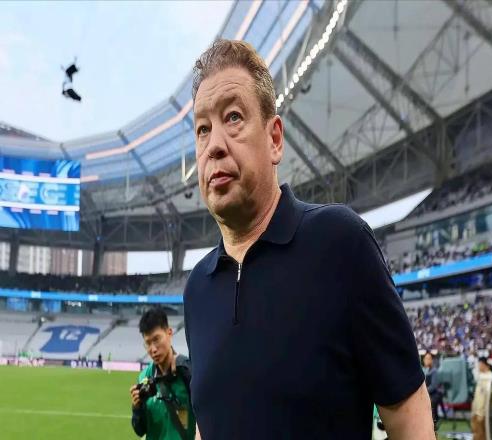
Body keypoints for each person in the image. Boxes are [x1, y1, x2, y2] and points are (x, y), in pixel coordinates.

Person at [183, 39, 434, 440]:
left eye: (233, 117)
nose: (214, 145)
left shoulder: (339, 243)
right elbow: (208, 424)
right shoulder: (197, 288)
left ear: (274, 139)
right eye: (202, 129)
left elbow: (408, 415)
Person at [130, 307, 195, 440]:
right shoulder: (144, 378)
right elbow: (140, 430)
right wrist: (137, 408)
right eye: (148, 343)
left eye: (156, 339)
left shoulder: (188, 372)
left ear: (169, 333)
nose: (153, 349)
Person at [471, 357, 492, 440]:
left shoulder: (490, 377)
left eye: (479, 365)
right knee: (476, 434)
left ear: (484, 365)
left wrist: (481, 412)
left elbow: (486, 397)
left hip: (483, 413)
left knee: (481, 435)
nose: (478, 367)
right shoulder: (482, 377)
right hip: (477, 411)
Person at [422, 351, 443, 432]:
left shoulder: (434, 371)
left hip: (435, 393)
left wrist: (423, 392)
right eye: (426, 358)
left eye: (429, 358)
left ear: (432, 360)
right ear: (423, 360)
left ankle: (433, 422)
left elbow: (433, 386)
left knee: (431, 402)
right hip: (425, 393)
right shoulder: (422, 370)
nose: (427, 360)